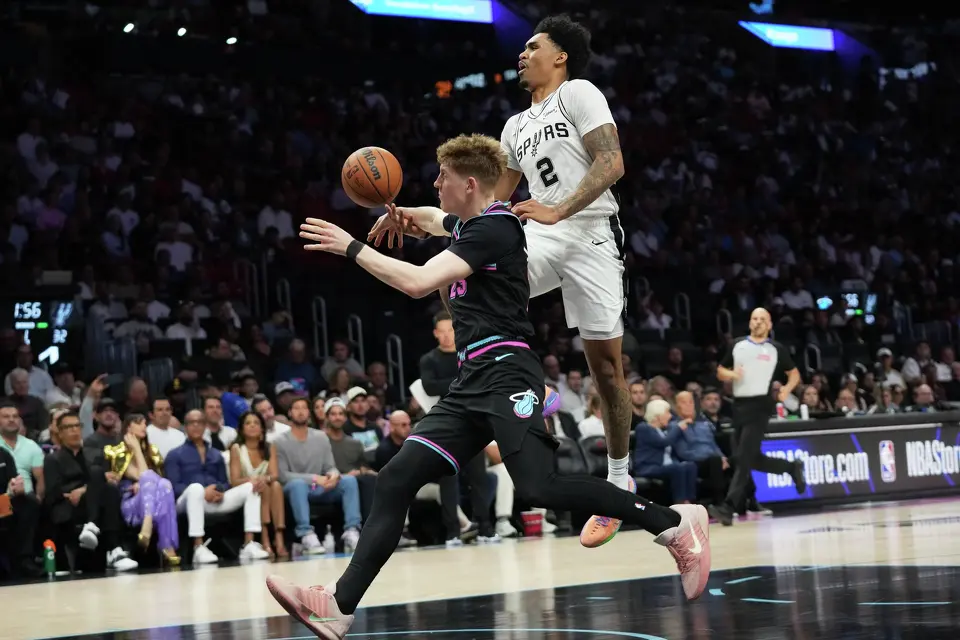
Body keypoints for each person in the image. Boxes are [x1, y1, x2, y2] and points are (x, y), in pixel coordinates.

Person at [267, 133, 709, 639]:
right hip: (473, 379)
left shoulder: (495, 230)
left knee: (539, 485)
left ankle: (675, 523)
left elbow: (417, 283)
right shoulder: (472, 223)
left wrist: (352, 247)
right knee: (395, 480)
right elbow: (437, 221)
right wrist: (404, 215)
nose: (435, 183)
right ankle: (337, 605)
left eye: (442, 178)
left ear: (469, 183)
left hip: (507, 372)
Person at [376, 15, 632, 548]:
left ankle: (618, 478)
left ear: (559, 57)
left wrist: (558, 209)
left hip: (588, 233)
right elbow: (487, 206)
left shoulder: (580, 93)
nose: (522, 53)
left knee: (606, 367)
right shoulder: (514, 126)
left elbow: (612, 162)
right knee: (463, 277)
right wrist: (426, 218)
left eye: (532, 46)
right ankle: (511, 378)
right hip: (540, 230)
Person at [711, 308, 806, 526]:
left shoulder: (776, 349)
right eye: (755, 319)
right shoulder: (737, 345)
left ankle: (729, 507)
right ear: (749, 322)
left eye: (763, 319)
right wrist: (732, 374)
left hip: (761, 406)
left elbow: (794, 373)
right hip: (740, 406)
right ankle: (791, 467)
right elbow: (720, 370)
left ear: (770, 325)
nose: (758, 322)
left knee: (744, 458)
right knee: (748, 458)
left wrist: (786, 390)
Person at [165, 409, 270, 564]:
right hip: (186, 501)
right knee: (195, 488)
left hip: (215, 500)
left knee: (251, 486)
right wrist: (203, 491)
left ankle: (249, 544)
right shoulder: (174, 454)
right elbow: (173, 487)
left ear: (205, 426)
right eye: (191, 423)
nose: (196, 426)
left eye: (199, 422)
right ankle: (198, 547)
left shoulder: (215, 454)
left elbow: (225, 482)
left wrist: (219, 490)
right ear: (185, 427)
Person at [43, 410, 139, 571]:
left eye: (76, 426)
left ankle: (95, 529)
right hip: (67, 507)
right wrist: (79, 491)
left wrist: (83, 490)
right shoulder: (53, 459)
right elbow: (54, 492)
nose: (74, 430)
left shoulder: (92, 456)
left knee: (108, 487)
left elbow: (107, 479)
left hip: (91, 503)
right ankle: (113, 548)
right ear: (60, 433)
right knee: (99, 477)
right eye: (68, 427)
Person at [104, 413, 180, 565]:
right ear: (128, 427)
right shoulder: (117, 452)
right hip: (131, 503)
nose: (144, 426)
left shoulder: (152, 451)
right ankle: (166, 544)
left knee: (165, 484)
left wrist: (139, 449)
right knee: (156, 482)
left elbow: (150, 480)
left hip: (153, 503)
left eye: (145, 423)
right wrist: (136, 449)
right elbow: (143, 476)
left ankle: (149, 526)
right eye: (139, 423)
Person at [229, 411, 287, 558]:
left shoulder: (269, 447)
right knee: (263, 487)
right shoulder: (236, 449)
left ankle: (279, 537)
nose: (253, 426)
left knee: (275, 486)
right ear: (241, 429)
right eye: (248, 423)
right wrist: (252, 481)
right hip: (246, 490)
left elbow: (274, 474)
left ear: (262, 428)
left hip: (265, 486)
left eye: (256, 423)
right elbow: (234, 480)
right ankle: (265, 536)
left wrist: (263, 479)